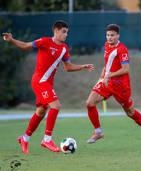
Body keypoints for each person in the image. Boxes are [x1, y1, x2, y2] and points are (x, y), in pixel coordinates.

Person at [2, 20, 94, 154]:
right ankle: (47, 139)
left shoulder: (64, 48)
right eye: (63, 32)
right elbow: (26, 46)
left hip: (47, 83)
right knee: (56, 106)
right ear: (56, 31)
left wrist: (82, 67)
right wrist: (11, 40)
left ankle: (25, 138)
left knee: (41, 111)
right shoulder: (44, 41)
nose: (66, 35)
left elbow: (68, 67)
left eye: (67, 32)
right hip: (39, 81)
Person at [85, 24, 141, 144]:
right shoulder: (106, 45)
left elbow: (126, 69)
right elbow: (108, 63)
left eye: (112, 35)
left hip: (121, 86)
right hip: (107, 82)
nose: (109, 38)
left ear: (118, 36)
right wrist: (103, 74)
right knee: (89, 103)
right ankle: (98, 132)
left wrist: (109, 75)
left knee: (130, 112)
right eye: (107, 35)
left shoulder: (122, 49)